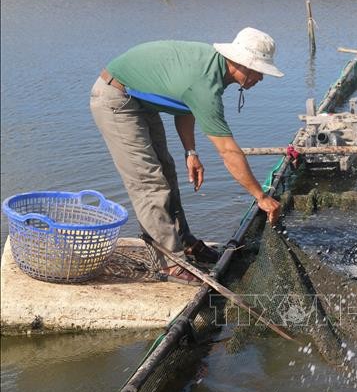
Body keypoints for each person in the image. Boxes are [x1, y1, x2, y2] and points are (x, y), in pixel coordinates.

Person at [90, 27, 282, 284]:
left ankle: (184, 242)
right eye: (259, 70)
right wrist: (260, 196)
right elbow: (228, 151)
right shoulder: (204, 84)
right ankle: (170, 262)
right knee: (149, 183)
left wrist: (190, 152)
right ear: (240, 63)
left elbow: (185, 105)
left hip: (140, 101)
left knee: (167, 171)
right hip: (116, 98)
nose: (261, 78)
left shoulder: (215, 70)